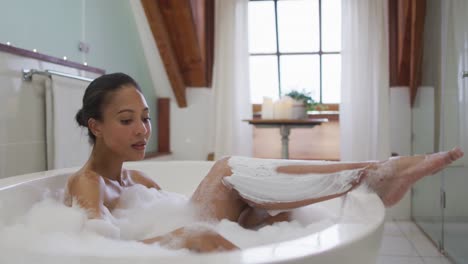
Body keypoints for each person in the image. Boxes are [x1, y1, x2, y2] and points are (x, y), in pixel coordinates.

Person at [65, 73, 464, 253]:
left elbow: (172, 211)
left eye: (146, 117)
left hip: (194, 225)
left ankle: (374, 172)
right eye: (126, 120)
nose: (143, 130)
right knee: (225, 169)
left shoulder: (139, 179)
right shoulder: (88, 183)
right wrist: (185, 235)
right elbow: (99, 253)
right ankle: (375, 172)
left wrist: (249, 219)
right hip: (175, 240)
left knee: (277, 217)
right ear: (96, 126)